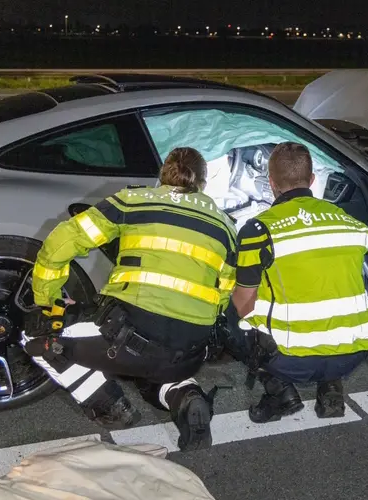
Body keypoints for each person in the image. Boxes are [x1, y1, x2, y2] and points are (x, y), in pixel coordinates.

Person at [22, 147, 237, 451]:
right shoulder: (227, 226)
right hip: (191, 349)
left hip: (128, 334)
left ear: (163, 174)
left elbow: (61, 243)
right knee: (155, 364)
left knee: (35, 332)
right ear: (203, 182)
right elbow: (225, 292)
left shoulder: (133, 200)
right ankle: (186, 395)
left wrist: (49, 300)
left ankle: (109, 405)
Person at [226, 141, 368, 423]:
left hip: (292, 361)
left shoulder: (258, 230)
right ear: (312, 180)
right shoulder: (350, 222)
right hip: (354, 354)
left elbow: (244, 304)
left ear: (271, 183)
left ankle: (280, 392)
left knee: (230, 314)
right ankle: (331, 387)